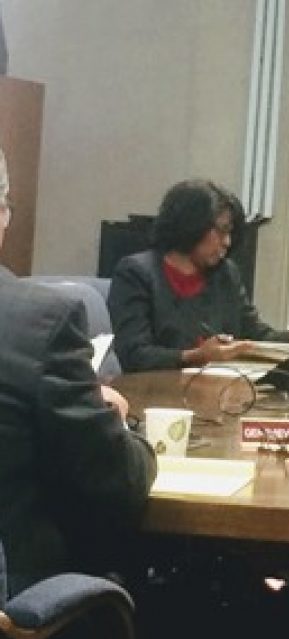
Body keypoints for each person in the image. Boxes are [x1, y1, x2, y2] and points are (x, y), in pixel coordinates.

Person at [0, 149, 156, 595]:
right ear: (2, 215)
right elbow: (115, 487)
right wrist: (118, 422)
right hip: (23, 622)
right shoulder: (41, 323)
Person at [108, 179, 289, 372]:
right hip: (155, 397)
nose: (227, 242)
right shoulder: (136, 273)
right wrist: (196, 356)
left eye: (230, 233)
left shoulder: (225, 274)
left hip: (215, 395)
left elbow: (252, 334)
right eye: (221, 231)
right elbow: (134, 355)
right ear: (191, 224)